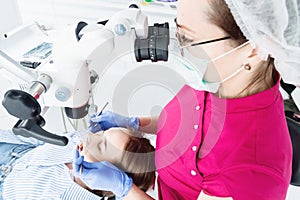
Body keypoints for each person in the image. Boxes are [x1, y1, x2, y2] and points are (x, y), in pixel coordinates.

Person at [81, 0, 300, 199]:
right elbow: (192, 126)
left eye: (189, 39)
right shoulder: (218, 79)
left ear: (253, 49)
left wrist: (125, 190)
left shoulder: (249, 172)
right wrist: (137, 123)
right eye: (178, 31)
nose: (178, 48)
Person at [0, 128, 155, 200]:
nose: (91, 136)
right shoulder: (78, 143)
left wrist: (124, 188)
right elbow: (37, 139)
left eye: (101, 145)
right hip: (13, 151)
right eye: (103, 133)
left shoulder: (65, 196)